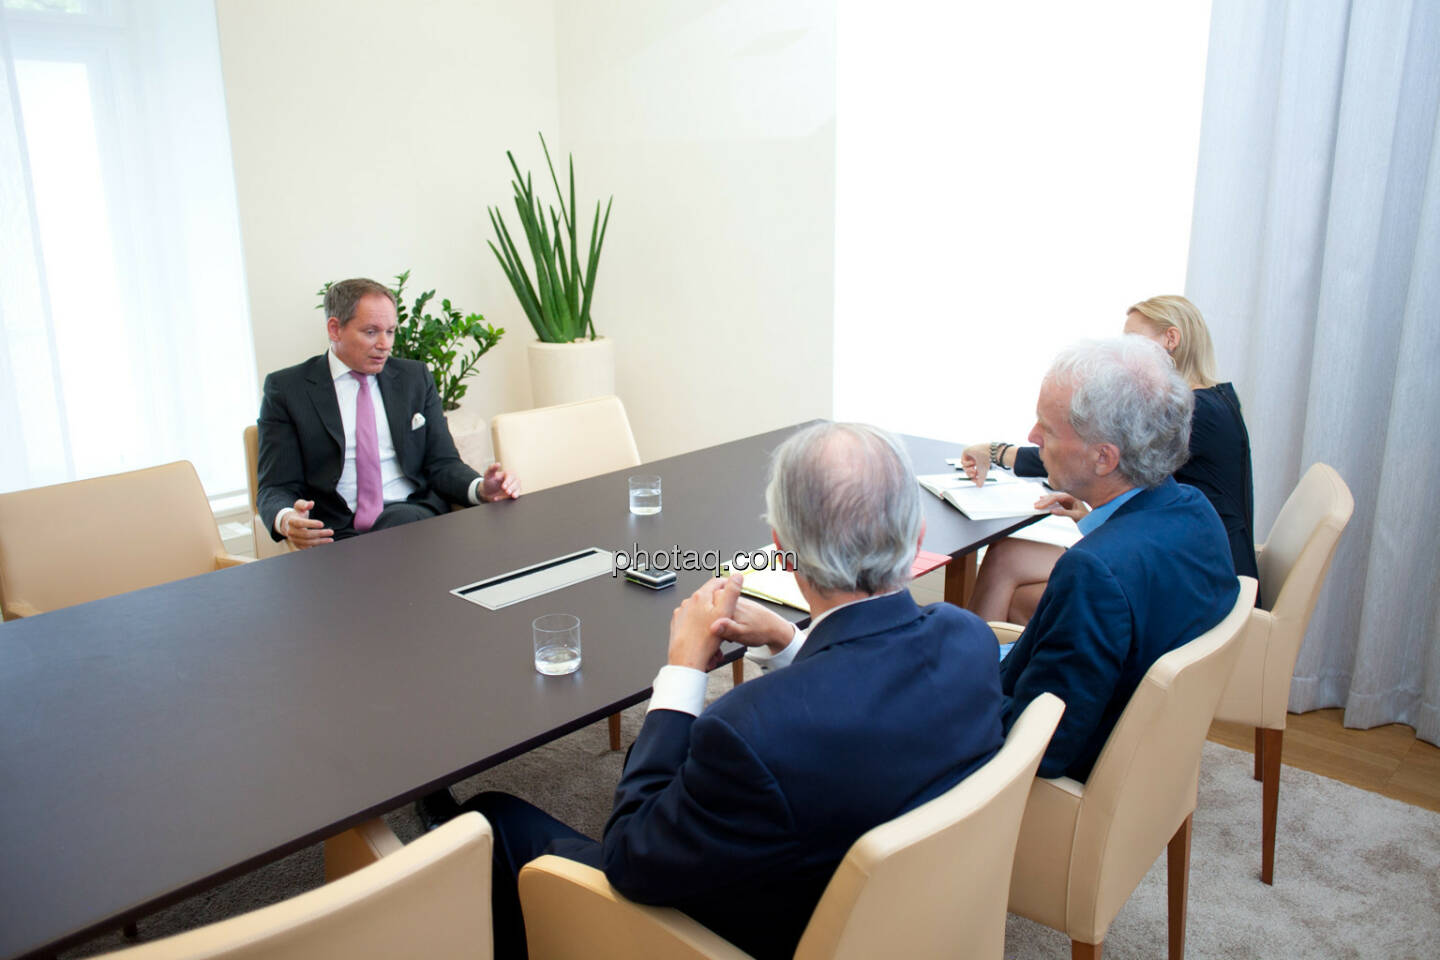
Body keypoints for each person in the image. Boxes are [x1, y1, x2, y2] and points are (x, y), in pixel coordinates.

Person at [444, 422, 1005, 960]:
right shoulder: (970, 641)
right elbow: (858, 692)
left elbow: (629, 856)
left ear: (781, 548)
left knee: (490, 818)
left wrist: (683, 674)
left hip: (757, 934)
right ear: (918, 537)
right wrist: (789, 641)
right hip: (896, 919)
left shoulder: (750, 731)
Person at [996, 337, 1239, 781]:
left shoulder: (1095, 572)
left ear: (1104, 457)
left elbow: (1042, 746)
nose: (1032, 438)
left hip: (1053, 782)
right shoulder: (1193, 509)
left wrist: (952, 696)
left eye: (1045, 429)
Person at [961, 295, 1257, 623]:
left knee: (1018, 592)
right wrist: (1090, 512)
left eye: (1131, 340)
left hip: (1186, 573)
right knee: (1006, 558)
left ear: (1170, 339)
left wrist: (998, 452)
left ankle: (973, 664)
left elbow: (1085, 449)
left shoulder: (1187, 413)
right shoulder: (1217, 399)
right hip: (1177, 555)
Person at [256, 278, 518, 550]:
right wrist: (287, 519)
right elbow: (275, 486)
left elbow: (443, 463)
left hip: (413, 519)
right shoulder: (288, 389)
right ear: (335, 329)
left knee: (401, 521)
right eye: (371, 332)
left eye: (391, 331)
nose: (385, 344)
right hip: (335, 535)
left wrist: (480, 489)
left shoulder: (414, 378)